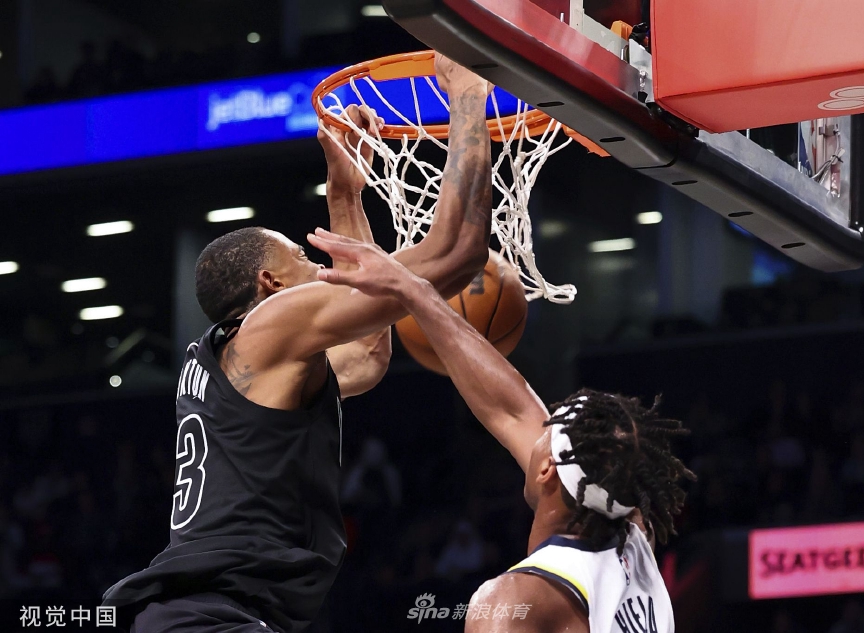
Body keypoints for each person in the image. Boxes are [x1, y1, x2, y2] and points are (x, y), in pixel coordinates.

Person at [101, 54, 494, 633]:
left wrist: (345, 195)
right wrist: (466, 97)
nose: (317, 265)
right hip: (209, 618)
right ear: (272, 284)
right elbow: (455, 253)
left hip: (208, 614)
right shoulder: (270, 326)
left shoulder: (244, 358)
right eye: (303, 257)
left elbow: (368, 354)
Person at [307, 230, 696, 632]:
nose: (536, 428)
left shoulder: (510, 604)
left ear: (547, 468)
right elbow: (510, 409)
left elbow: (515, 413)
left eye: (547, 431)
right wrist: (412, 290)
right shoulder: (635, 541)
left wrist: (414, 288)